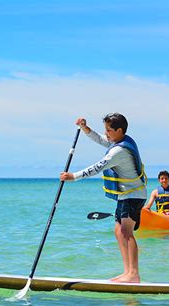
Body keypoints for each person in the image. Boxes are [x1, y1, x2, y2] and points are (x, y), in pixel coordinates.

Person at [60, 113, 147, 283]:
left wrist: (73, 176)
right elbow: (101, 140)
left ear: (119, 130)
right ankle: (127, 272)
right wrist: (86, 129)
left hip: (134, 195)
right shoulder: (120, 142)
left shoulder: (119, 151)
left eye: (108, 130)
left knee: (126, 232)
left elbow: (98, 167)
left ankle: (134, 274)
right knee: (118, 231)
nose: (105, 133)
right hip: (125, 195)